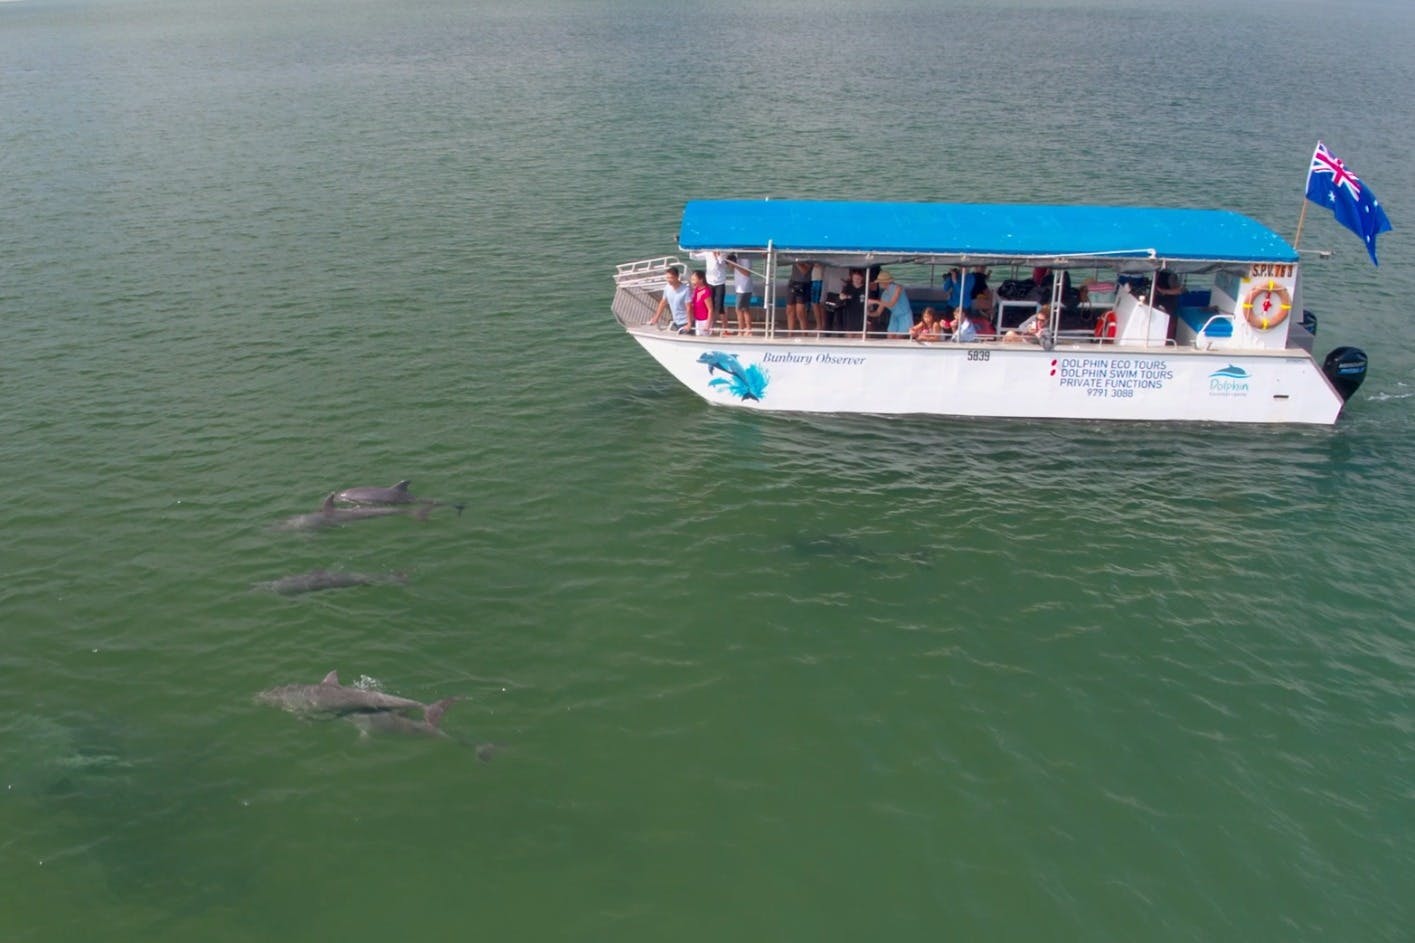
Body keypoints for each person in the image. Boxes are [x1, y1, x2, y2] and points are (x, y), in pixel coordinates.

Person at [689, 251, 729, 332]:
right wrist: (691, 250)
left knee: (720, 307)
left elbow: (722, 265)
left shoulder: (724, 253)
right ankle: (710, 323)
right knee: (710, 306)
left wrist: (717, 256)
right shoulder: (707, 253)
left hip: (720, 283)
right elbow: (694, 257)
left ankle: (725, 328)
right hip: (710, 282)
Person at [867, 270, 914, 339]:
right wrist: (868, 313)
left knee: (898, 338)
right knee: (889, 336)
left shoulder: (898, 288)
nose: (879, 283)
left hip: (904, 316)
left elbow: (891, 304)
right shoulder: (884, 294)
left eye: (880, 281)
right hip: (894, 316)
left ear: (885, 281)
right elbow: (878, 312)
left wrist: (875, 301)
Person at [648, 265, 692, 333]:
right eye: (667, 278)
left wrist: (689, 324)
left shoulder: (685, 290)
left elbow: (688, 308)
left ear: (677, 277)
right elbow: (663, 303)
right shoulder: (667, 288)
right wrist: (656, 318)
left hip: (685, 322)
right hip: (675, 321)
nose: (669, 280)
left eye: (671, 278)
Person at [725, 254, 754, 336]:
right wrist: (730, 263)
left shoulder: (745, 258)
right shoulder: (737, 257)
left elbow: (747, 273)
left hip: (744, 288)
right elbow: (731, 269)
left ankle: (742, 330)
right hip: (739, 287)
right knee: (744, 309)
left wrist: (735, 264)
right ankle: (747, 329)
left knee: (739, 309)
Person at [836, 268, 867, 334]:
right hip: (849, 316)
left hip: (861, 316)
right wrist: (841, 298)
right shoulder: (847, 287)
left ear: (862, 278)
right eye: (854, 278)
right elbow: (838, 304)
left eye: (858, 278)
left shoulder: (866, 288)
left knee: (860, 337)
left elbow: (870, 304)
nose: (856, 280)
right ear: (852, 278)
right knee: (849, 338)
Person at [786, 260, 813, 334]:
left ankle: (804, 334)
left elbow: (804, 271)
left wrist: (796, 261)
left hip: (804, 284)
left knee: (800, 312)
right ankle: (790, 333)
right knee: (789, 310)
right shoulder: (795, 254)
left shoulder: (809, 257)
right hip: (793, 282)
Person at [688, 269, 714, 336]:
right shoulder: (696, 290)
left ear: (701, 280)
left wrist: (707, 324)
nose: (692, 282)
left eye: (694, 279)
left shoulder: (706, 292)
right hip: (698, 320)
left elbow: (710, 309)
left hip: (705, 321)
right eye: (691, 279)